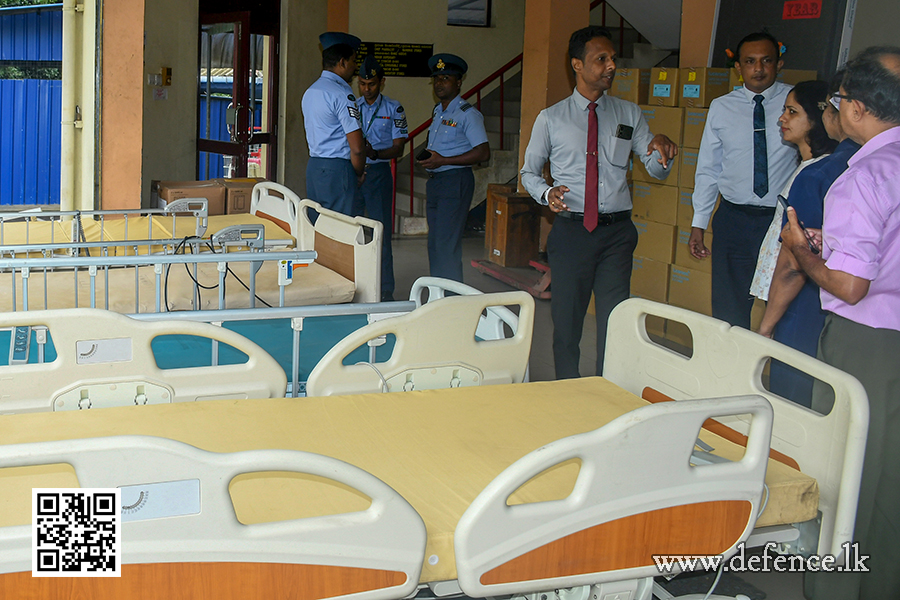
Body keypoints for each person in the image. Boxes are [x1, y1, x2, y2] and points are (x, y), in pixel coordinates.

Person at [779, 46, 900, 600]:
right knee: (890, 480)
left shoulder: (862, 176)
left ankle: (833, 589)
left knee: (847, 475)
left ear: (855, 108)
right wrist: (836, 245)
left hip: (864, 342)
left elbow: (851, 286)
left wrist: (803, 252)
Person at [520, 26, 677, 379]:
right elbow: (528, 172)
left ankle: (608, 389)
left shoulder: (628, 114)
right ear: (577, 64)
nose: (611, 66)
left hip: (616, 234)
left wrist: (661, 152)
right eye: (601, 59)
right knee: (567, 323)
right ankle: (568, 389)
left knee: (615, 321)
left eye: (613, 59)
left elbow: (654, 168)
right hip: (572, 233)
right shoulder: (551, 118)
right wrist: (546, 193)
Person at [755, 77, 859, 407]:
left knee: (793, 402)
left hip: (806, 305)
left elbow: (794, 264)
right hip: (853, 317)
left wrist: (766, 326)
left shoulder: (818, 175)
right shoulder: (874, 164)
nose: (783, 119)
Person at [689, 32, 797, 329]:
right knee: (729, 309)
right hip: (733, 220)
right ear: (738, 67)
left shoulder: (794, 103)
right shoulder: (721, 107)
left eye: (766, 61)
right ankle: (731, 359)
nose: (758, 69)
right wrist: (699, 222)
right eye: (750, 62)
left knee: (782, 306)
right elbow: (709, 168)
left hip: (779, 222)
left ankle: (772, 359)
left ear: (779, 64)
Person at [416, 53, 490, 282]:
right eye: (437, 79)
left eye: (446, 78)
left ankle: (452, 296)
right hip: (436, 182)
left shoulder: (468, 115)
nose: (439, 83)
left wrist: (443, 161)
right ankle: (439, 292)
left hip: (455, 181)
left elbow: (483, 153)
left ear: (458, 82)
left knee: (447, 245)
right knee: (435, 244)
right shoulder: (438, 111)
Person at [353, 56, 408, 301]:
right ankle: (355, 283)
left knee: (380, 232)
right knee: (351, 230)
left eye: (372, 84)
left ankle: (385, 288)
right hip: (354, 173)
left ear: (382, 82)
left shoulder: (393, 109)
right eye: (362, 84)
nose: (366, 89)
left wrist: (375, 153)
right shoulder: (352, 106)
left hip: (378, 173)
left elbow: (399, 148)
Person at [301, 32, 365, 216]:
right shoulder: (342, 94)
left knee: (318, 224)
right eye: (353, 61)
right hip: (339, 169)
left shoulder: (310, 91)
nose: (355, 67)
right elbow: (357, 147)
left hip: (314, 167)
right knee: (341, 226)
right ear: (342, 62)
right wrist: (358, 173)